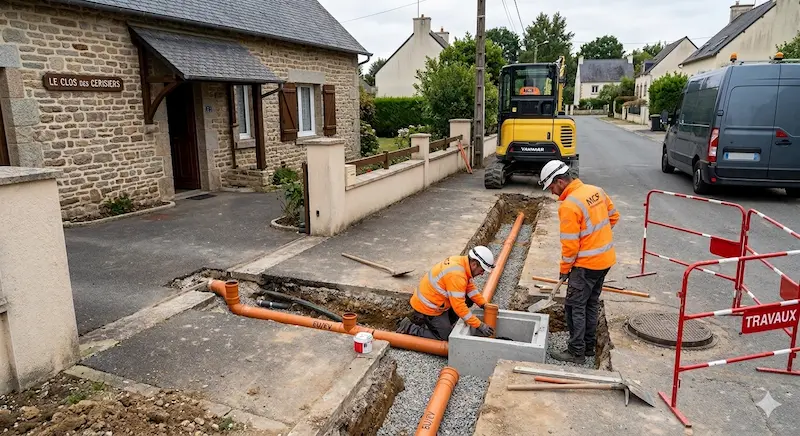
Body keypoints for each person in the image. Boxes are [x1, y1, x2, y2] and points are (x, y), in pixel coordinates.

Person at [539, 160, 619, 363]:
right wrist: (596, 239)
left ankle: (576, 352)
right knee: (590, 304)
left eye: (552, 187)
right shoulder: (596, 191)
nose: (552, 193)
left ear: (560, 181)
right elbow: (614, 217)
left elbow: (570, 246)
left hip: (585, 266)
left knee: (574, 307)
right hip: (605, 261)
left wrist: (565, 270)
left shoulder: (569, 205)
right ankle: (590, 347)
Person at [396, 246, 497, 340]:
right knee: (447, 338)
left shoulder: (461, 262)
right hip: (429, 307)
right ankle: (409, 327)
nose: (482, 273)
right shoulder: (457, 275)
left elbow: (470, 288)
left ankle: (445, 322)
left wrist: (483, 304)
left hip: (435, 299)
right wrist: (480, 325)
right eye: (482, 270)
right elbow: (459, 306)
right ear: (474, 264)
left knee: (468, 299)